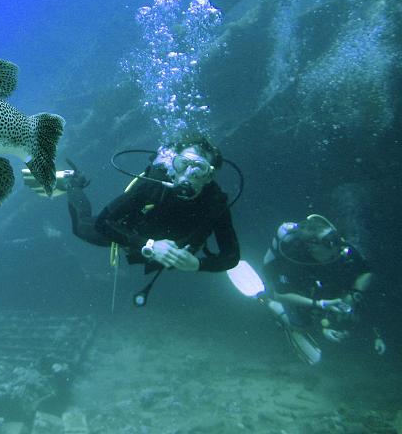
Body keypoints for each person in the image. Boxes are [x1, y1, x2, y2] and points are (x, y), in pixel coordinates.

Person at [65, 134, 240, 298]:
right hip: (131, 233)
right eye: (182, 163)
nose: (187, 173)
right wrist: (148, 244)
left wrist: (198, 265)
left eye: (198, 168)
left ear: (209, 176)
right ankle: (74, 184)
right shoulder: (154, 185)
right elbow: (103, 222)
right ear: (173, 163)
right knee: (80, 227)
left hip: (168, 245)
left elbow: (231, 257)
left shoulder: (215, 203)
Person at [262, 214, 386, 364]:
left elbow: (366, 272)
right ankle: (269, 304)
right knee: (302, 325)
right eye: (329, 243)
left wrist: (354, 295)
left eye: (335, 239)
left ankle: (325, 323)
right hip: (292, 286)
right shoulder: (293, 261)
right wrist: (320, 305)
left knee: (341, 292)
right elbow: (281, 294)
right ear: (312, 246)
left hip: (318, 278)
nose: (337, 247)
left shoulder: (339, 246)